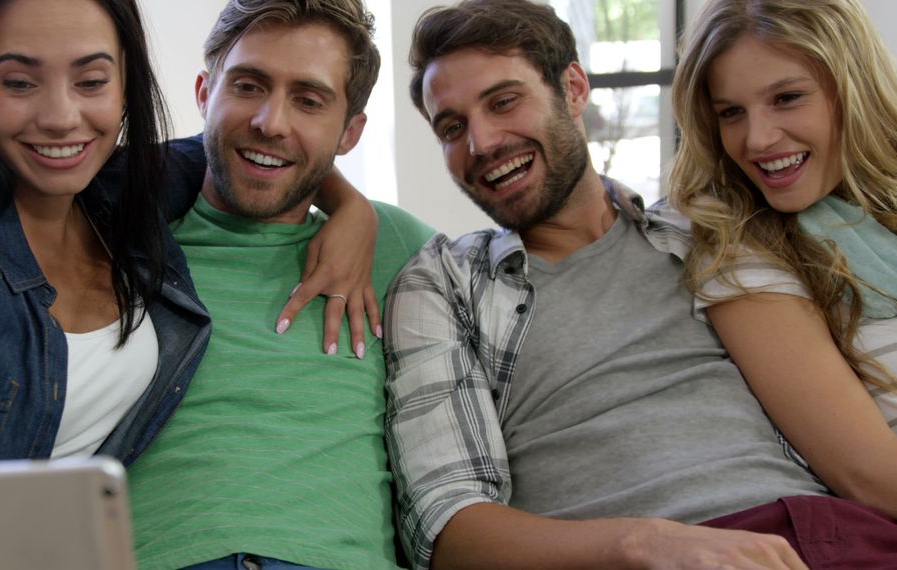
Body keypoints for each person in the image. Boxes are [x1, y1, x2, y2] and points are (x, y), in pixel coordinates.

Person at [0, 0, 378, 566]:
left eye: (90, 81)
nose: (61, 116)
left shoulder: (122, 189)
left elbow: (255, 148)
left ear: (124, 88)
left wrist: (353, 207)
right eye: (18, 81)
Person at [383, 0, 897, 568]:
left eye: (504, 102)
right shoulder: (443, 282)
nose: (480, 142)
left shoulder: (713, 229)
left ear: (574, 87)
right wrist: (642, 543)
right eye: (451, 127)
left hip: (826, 537)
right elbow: (448, 529)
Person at [124, 1, 435, 569]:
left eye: (309, 101)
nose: (271, 121)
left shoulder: (401, 248)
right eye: (247, 86)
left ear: (350, 132)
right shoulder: (116, 244)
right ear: (203, 93)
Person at [669, 0, 897, 521]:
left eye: (787, 98)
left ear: (852, 86)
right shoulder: (738, 252)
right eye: (731, 113)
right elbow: (870, 475)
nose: (757, 140)